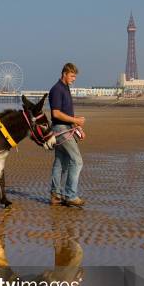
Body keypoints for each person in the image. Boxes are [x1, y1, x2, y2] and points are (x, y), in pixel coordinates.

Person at [48, 63, 86, 208]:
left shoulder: (65, 88)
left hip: (65, 128)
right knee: (77, 161)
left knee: (60, 162)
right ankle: (71, 195)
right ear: (64, 73)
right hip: (60, 129)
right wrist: (75, 120)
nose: (74, 79)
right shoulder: (57, 89)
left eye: (75, 76)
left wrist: (76, 126)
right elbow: (56, 113)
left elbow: (66, 113)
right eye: (72, 76)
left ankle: (55, 195)